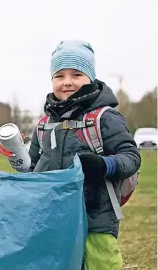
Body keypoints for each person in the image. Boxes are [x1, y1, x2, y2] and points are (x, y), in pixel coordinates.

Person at [25, 40, 140, 269]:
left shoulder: (105, 118)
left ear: (90, 77)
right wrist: (15, 155)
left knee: (101, 264)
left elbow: (131, 157)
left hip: (96, 217)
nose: (67, 82)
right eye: (59, 76)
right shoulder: (44, 124)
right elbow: (31, 170)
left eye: (76, 74)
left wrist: (104, 165)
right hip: (54, 218)